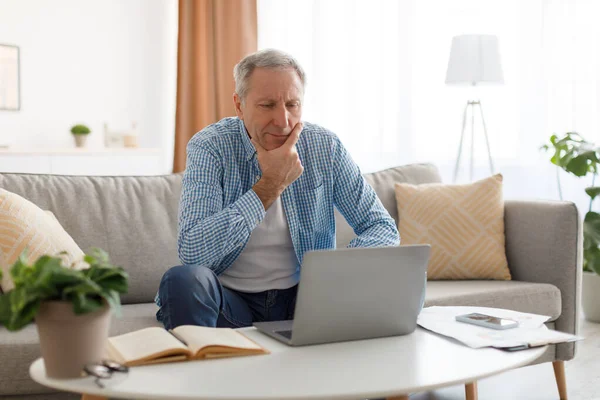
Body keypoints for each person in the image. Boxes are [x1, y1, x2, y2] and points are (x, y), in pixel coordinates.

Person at [155, 49, 399, 330]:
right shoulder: (210, 147)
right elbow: (193, 252)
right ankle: (207, 364)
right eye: (267, 105)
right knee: (181, 281)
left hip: (306, 300)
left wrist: (336, 269)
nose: (283, 121)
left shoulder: (324, 147)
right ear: (239, 105)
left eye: (292, 105)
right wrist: (270, 186)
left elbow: (381, 227)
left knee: (391, 283)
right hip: (231, 302)